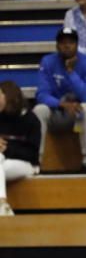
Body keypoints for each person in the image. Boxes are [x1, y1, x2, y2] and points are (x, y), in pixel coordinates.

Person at [33, 27, 86, 172]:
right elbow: (41, 94)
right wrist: (61, 104)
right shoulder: (48, 62)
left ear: (77, 45)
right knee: (39, 110)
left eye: (71, 42)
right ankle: (37, 160)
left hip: (78, 114)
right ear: (57, 45)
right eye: (63, 42)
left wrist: (71, 72)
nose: (67, 45)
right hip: (56, 111)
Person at [0, 81, 41, 217]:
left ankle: (2, 203)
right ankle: (3, 206)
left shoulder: (30, 120)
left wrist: (6, 149)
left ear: (9, 97)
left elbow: (32, 155)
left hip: (27, 164)